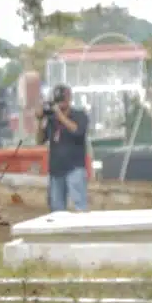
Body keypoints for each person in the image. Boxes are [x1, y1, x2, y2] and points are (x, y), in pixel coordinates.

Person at [41, 83, 89, 212]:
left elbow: (78, 131)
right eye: (58, 100)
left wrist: (60, 116)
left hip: (74, 167)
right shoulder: (52, 119)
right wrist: (40, 120)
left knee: (79, 205)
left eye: (62, 99)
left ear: (69, 99)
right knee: (56, 208)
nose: (60, 103)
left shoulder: (79, 115)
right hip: (56, 169)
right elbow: (40, 140)